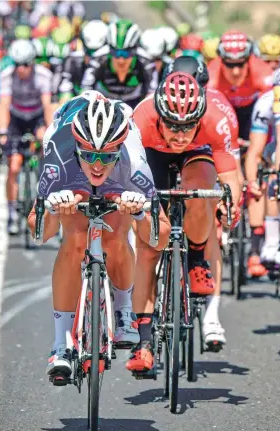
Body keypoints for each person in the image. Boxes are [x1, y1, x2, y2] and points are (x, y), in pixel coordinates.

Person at [27, 91, 170, 382]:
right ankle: (61, 344)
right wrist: (54, 210)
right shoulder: (59, 154)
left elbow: (160, 237)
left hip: (120, 182)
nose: (96, 164)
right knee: (75, 239)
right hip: (71, 177)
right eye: (90, 155)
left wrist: (141, 213)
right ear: (78, 146)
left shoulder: (133, 159)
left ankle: (123, 312)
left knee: (118, 234)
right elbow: (40, 231)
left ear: (118, 149)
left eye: (105, 157)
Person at [131, 72, 241, 372]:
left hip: (198, 154)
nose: (180, 135)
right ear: (160, 116)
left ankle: (195, 260)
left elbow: (231, 176)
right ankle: (143, 343)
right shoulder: (140, 120)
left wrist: (232, 205)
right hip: (150, 155)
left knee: (202, 192)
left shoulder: (215, 120)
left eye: (188, 126)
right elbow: (125, 175)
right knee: (149, 246)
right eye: (173, 126)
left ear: (200, 119)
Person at [208, 30, 274, 277]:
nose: (235, 71)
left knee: (256, 173)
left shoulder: (261, 72)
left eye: (240, 65)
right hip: (219, 116)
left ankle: (256, 251)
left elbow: (272, 109)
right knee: (217, 168)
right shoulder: (212, 76)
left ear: (250, 60)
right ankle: (217, 220)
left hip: (251, 117)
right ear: (221, 61)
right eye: (229, 65)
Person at [0, 38, 53, 235]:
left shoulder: (43, 75)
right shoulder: (6, 75)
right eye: (18, 65)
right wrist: (3, 131)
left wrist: (49, 130)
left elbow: (47, 105)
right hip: (16, 118)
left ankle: (45, 203)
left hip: (36, 117)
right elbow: (4, 104)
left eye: (26, 64)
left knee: (44, 143)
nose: (22, 69)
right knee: (13, 166)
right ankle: (12, 213)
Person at [245, 65, 280, 270]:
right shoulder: (267, 102)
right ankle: (271, 240)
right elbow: (255, 151)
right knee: (276, 167)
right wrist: (252, 181)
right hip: (278, 145)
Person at [81, 19, 157, 110]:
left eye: (127, 53)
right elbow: (85, 91)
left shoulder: (146, 62)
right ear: (109, 49)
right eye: (115, 53)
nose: (121, 60)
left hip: (134, 105)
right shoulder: (98, 58)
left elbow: (152, 96)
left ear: (135, 50)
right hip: (102, 104)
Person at [58, 19, 108, 103]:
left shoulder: (112, 64)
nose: (94, 57)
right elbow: (64, 95)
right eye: (89, 51)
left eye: (98, 53)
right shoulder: (71, 61)